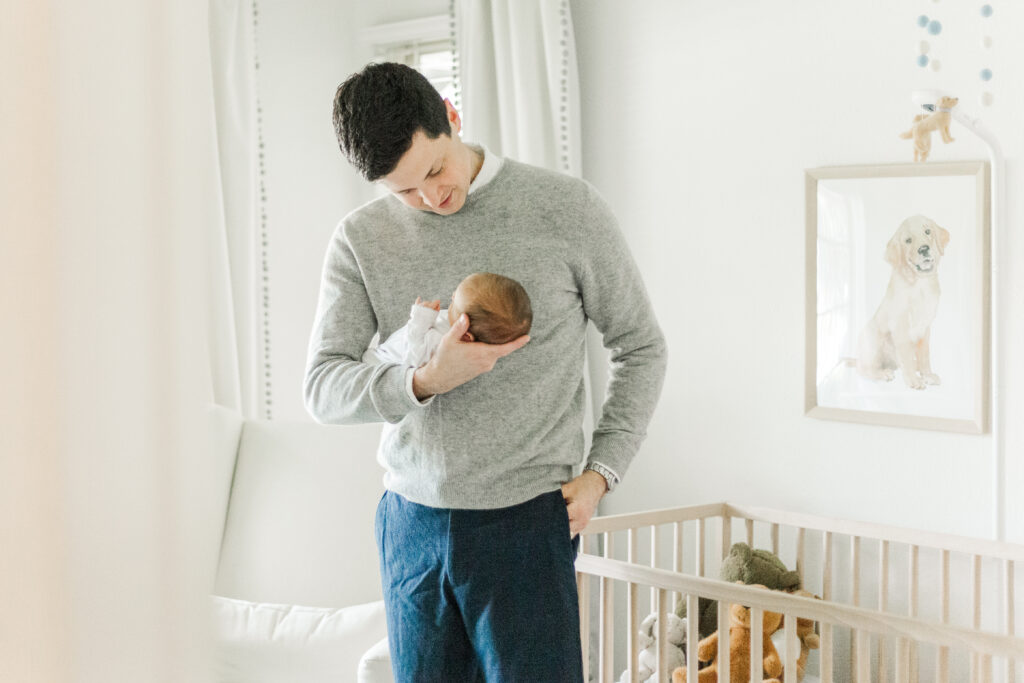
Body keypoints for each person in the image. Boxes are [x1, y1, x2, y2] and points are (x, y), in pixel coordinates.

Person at [305, 61, 667, 682]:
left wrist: (603, 473)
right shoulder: (359, 239)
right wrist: (423, 382)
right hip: (410, 525)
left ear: (452, 115)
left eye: (435, 171)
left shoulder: (566, 208)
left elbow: (641, 347)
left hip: (527, 519)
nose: (431, 199)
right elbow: (323, 389)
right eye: (404, 191)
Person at [363, 272, 533, 369]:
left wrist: (419, 320)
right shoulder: (458, 324)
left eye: (453, 303)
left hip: (375, 364)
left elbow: (414, 361)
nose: (450, 297)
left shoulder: (443, 344)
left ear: (466, 336)